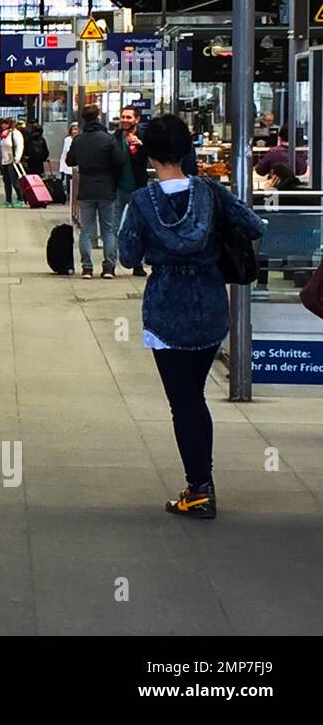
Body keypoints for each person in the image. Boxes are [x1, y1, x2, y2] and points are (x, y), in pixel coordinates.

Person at [118, 115, 266, 519]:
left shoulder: (141, 202)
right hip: (210, 303)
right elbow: (253, 225)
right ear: (187, 151)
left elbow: (127, 255)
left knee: (182, 401)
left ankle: (199, 488)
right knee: (195, 397)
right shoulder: (211, 192)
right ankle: (203, 482)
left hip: (166, 307)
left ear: (149, 155)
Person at [66, 104, 125, 279]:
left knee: (85, 230)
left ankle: (87, 268)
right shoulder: (108, 139)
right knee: (108, 230)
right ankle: (108, 267)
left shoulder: (79, 140)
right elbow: (120, 161)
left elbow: (70, 161)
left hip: (86, 188)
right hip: (106, 187)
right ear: (98, 117)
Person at [113, 106, 149, 277]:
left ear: (137, 119)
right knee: (114, 227)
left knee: (139, 227)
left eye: (128, 117)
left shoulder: (144, 137)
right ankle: (110, 264)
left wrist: (141, 145)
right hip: (119, 187)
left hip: (138, 187)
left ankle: (138, 264)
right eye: (123, 117)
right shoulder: (115, 137)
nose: (125, 120)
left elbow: (153, 156)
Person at [0, 117, 24, 206]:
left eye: (5, 123)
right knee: (7, 182)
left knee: (15, 182)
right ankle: (8, 200)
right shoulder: (4, 135)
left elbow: (19, 146)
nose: (2, 125)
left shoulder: (15, 134)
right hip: (4, 161)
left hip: (13, 161)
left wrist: (17, 158)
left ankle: (21, 199)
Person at [59, 122, 79, 195]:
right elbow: (67, 151)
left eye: (76, 129)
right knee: (69, 181)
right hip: (68, 164)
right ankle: (69, 195)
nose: (75, 131)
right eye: (73, 129)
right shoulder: (67, 139)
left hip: (76, 164)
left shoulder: (80, 139)